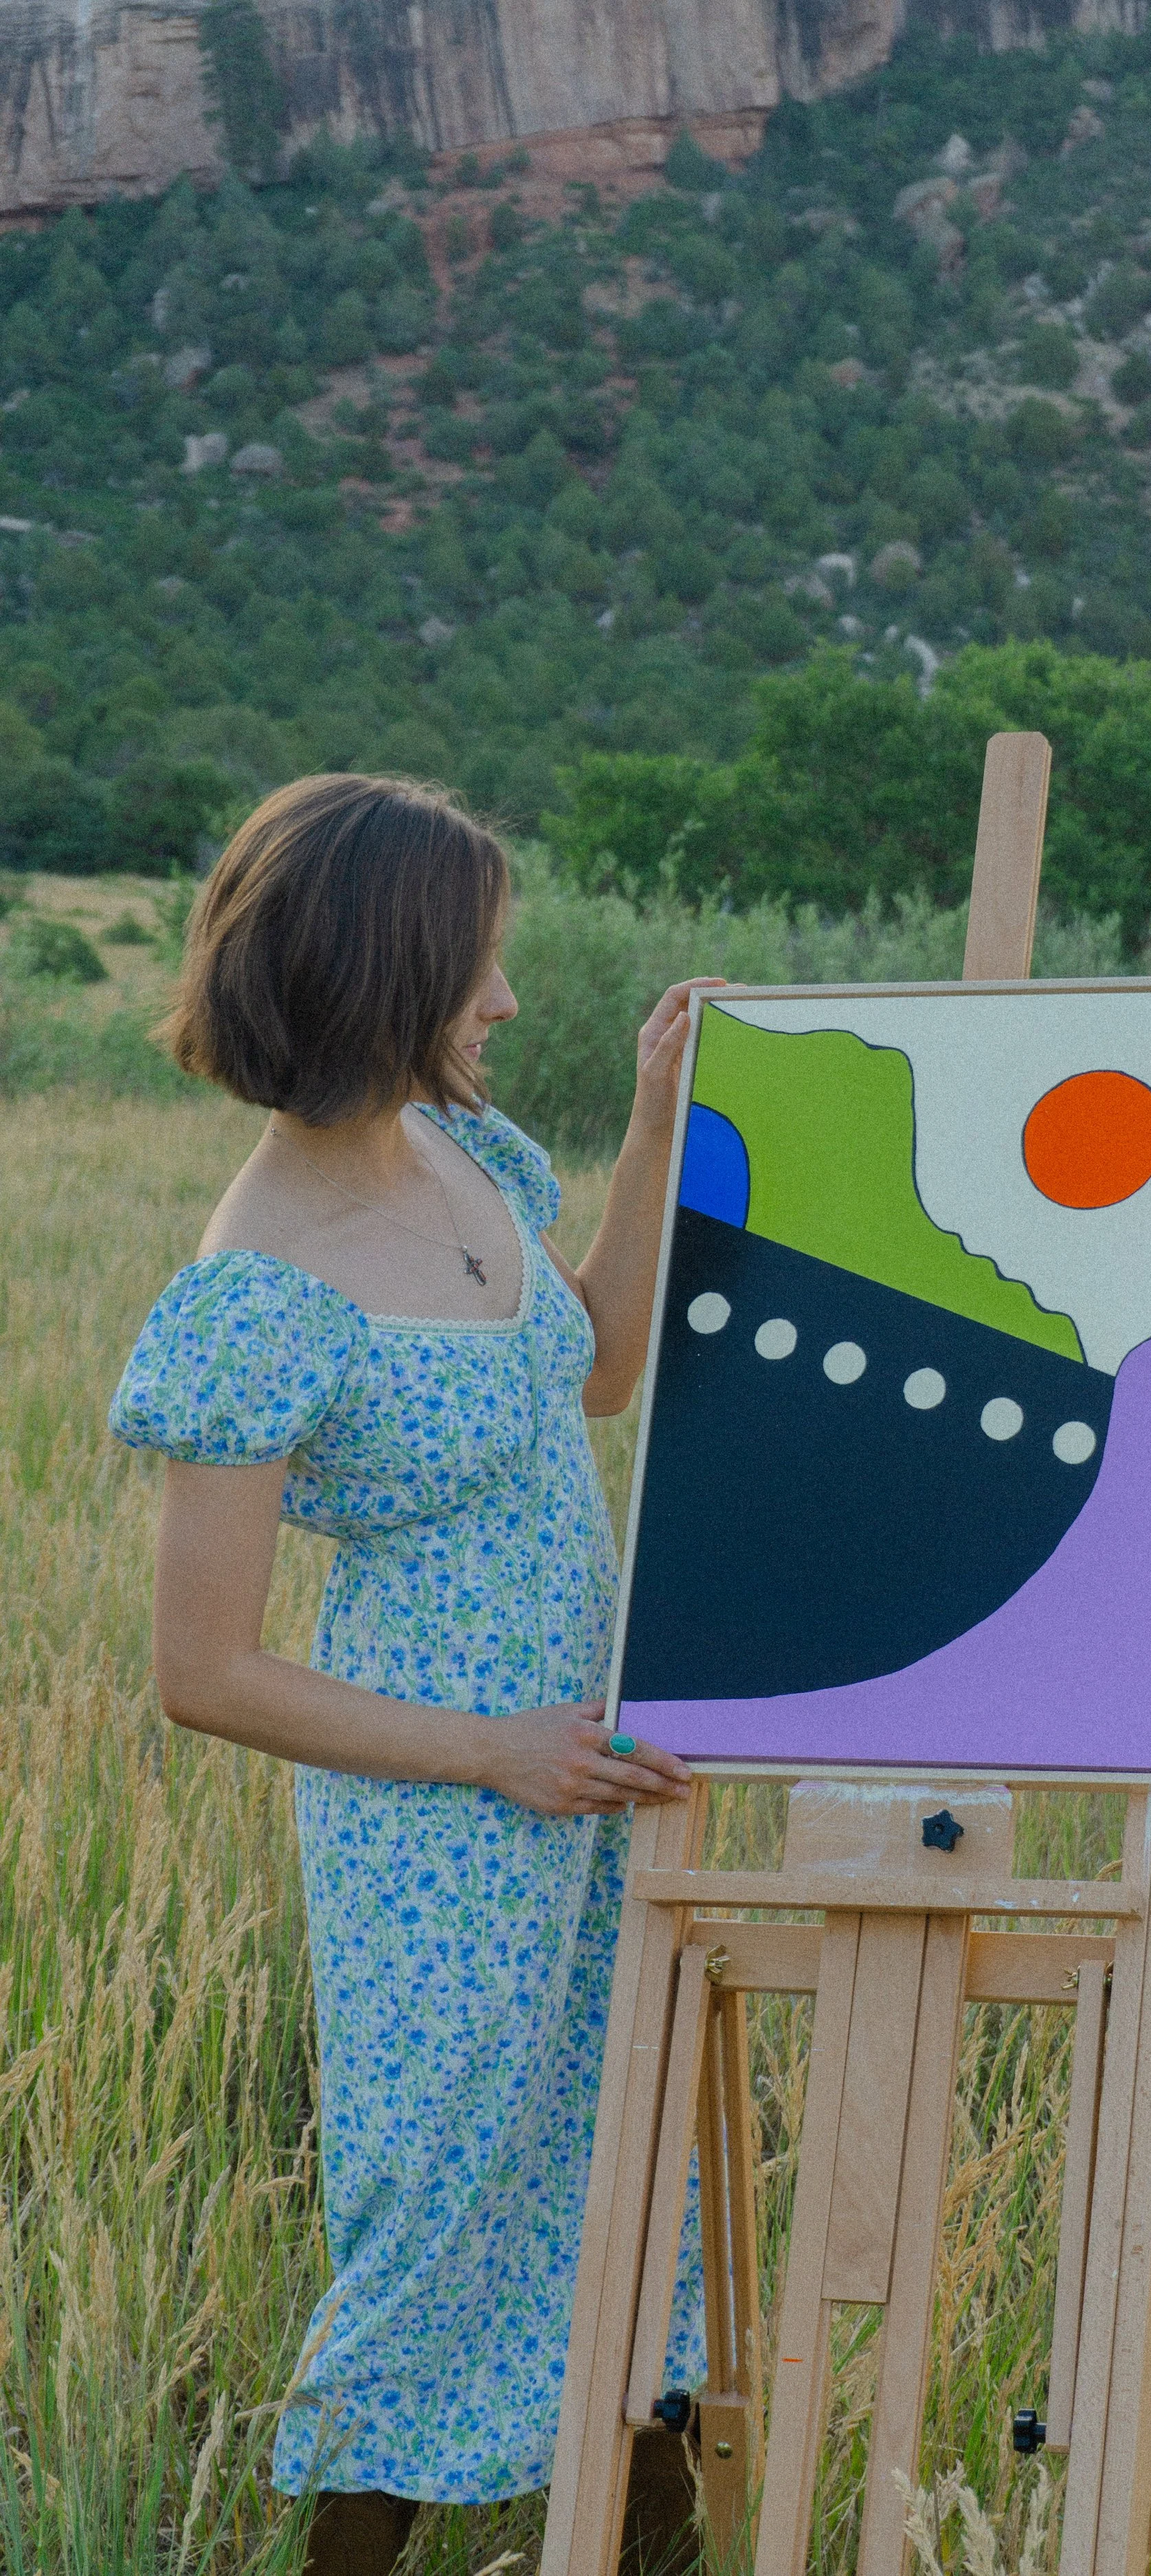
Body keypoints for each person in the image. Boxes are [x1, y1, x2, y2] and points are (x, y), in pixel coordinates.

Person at [109, 775, 711, 2573]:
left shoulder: (471, 1157)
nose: (508, 1004)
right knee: (433, 2215)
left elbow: (590, 1370)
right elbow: (198, 1669)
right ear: (381, 975)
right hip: (437, 1821)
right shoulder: (260, 1284)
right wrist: (488, 1752)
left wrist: (660, 1121)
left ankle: (645, 2539)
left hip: (583, 1764)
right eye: (477, 970)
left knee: (630, 2175)